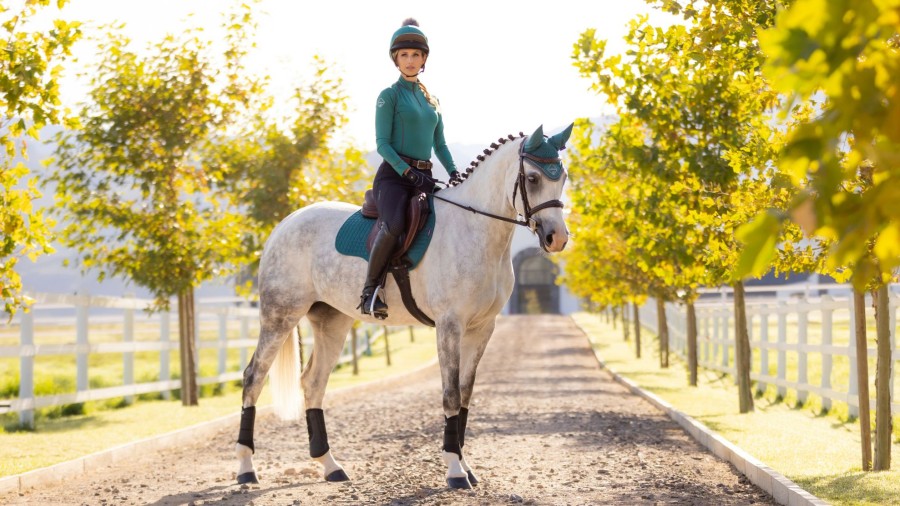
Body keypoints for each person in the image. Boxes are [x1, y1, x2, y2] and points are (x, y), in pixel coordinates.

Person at [359, 18, 461, 318]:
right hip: (394, 176)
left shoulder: (433, 101)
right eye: (404, 55)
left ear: (424, 59)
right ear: (396, 59)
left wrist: (455, 173)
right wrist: (406, 171)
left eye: (416, 55)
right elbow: (382, 144)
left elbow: (439, 145)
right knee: (394, 225)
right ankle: (370, 292)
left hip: (424, 176)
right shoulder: (388, 96)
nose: (410, 60)